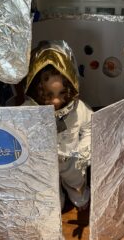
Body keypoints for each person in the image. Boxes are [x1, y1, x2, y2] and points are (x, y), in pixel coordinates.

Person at [23, 40, 92, 210]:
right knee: (51, 195)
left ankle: (79, 198)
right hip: (44, 164)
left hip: (72, 160)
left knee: (76, 183)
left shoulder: (78, 109)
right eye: (48, 94)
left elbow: (91, 129)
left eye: (62, 93)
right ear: (37, 91)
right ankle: (57, 203)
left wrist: (83, 154)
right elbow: (19, 135)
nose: (56, 100)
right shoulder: (28, 111)